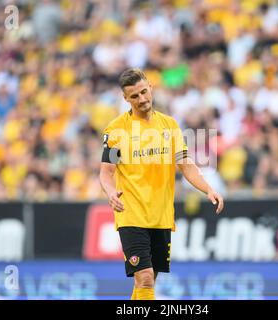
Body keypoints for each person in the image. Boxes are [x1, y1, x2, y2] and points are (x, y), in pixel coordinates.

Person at [99, 68, 224, 300]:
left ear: (150, 88)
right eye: (134, 96)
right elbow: (106, 172)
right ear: (126, 99)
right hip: (131, 213)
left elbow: (186, 165)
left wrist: (208, 189)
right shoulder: (117, 131)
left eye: (144, 92)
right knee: (144, 276)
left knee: (148, 282)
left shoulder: (169, 126)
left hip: (161, 215)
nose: (142, 99)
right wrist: (109, 192)